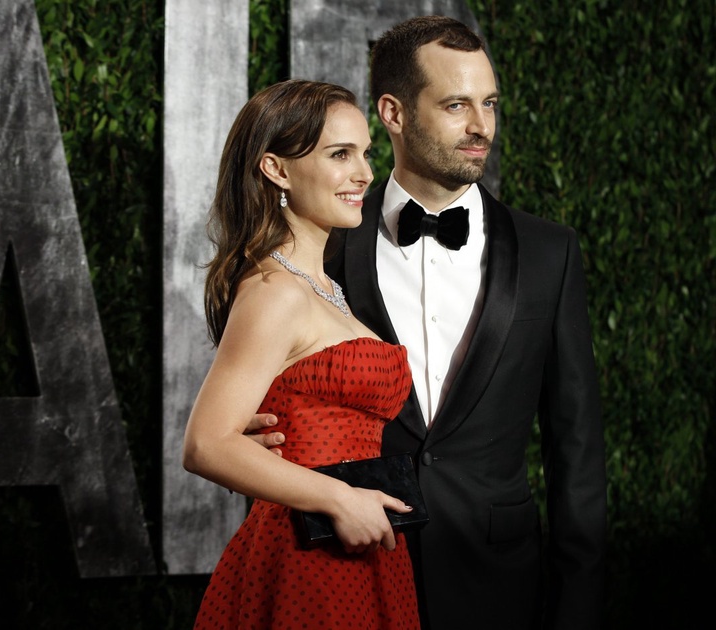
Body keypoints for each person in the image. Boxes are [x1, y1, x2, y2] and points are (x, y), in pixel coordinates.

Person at [252, 15, 607, 630]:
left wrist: (577, 606)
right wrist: (265, 435)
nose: (481, 127)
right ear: (393, 113)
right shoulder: (321, 250)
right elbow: (252, 410)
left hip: (500, 583)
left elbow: (576, 449)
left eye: (489, 103)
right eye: (456, 104)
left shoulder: (551, 253)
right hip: (348, 572)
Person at [183, 79, 421, 629]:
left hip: (359, 547)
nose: (364, 173)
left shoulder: (322, 287)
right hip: (307, 558)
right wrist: (339, 499)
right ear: (277, 169)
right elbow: (205, 444)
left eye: (365, 153)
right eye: (340, 155)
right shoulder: (274, 291)